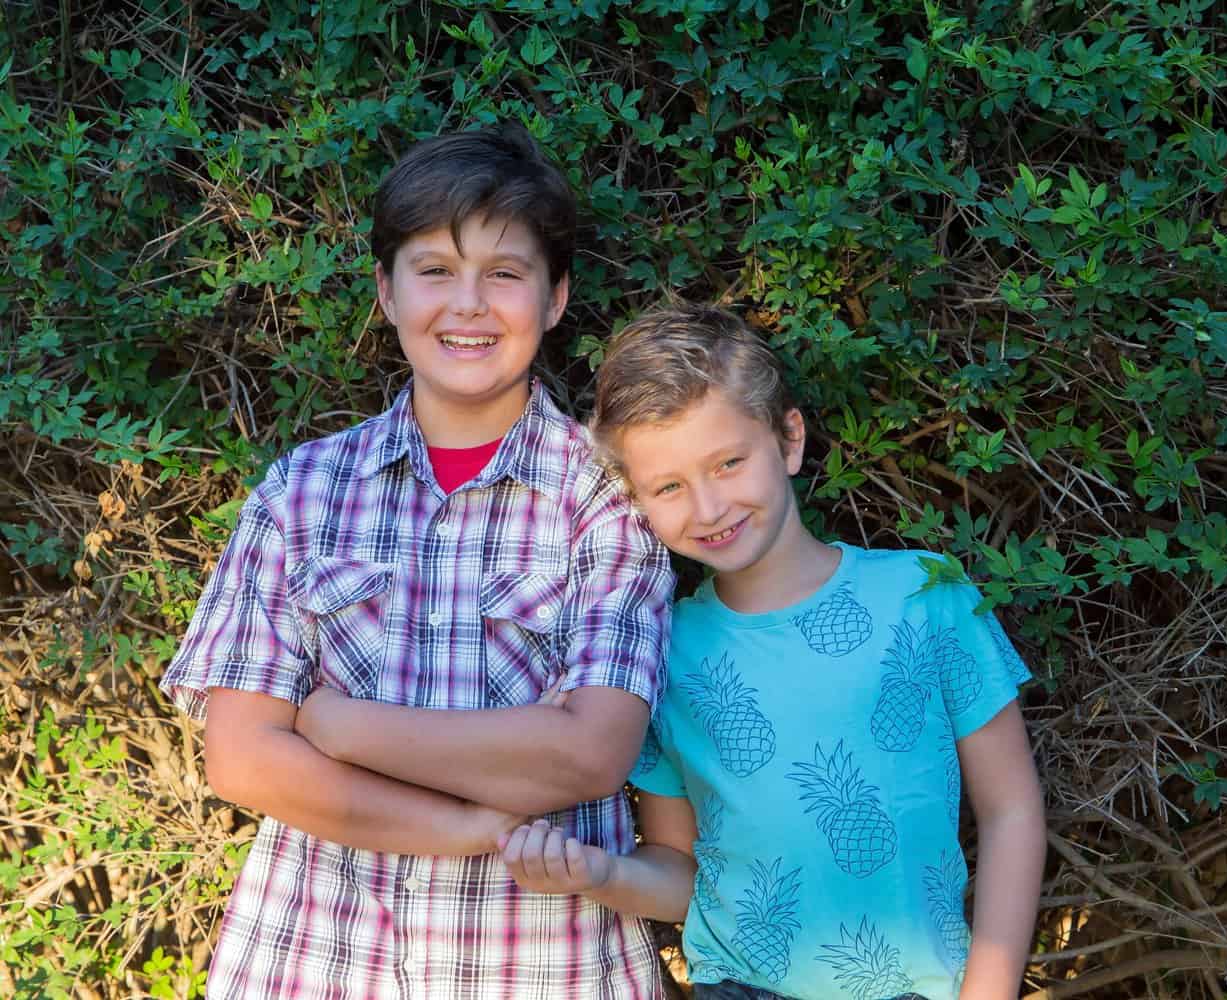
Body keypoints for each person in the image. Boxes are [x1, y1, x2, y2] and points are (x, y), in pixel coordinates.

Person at [161, 123, 674, 999]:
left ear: (554, 299)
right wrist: (476, 823)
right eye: (434, 270)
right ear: (387, 294)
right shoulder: (304, 491)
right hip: (312, 954)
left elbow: (589, 754)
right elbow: (243, 760)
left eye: (505, 274)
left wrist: (337, 727)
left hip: (540, 963)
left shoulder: (609, 496)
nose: (468, 305)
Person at [500, 305, 1048, 999]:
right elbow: (679, 869)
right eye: (668, 486)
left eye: (729, 463)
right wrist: (601, 875)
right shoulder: (662, 651)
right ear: (637, 499)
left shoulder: (925, 594)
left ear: (789, 440)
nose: (707, 507)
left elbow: (1012, 810)